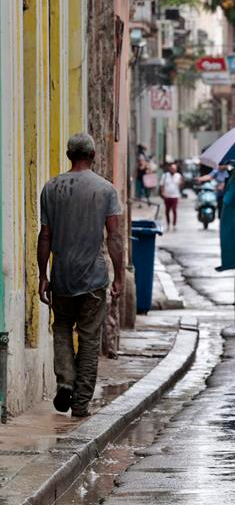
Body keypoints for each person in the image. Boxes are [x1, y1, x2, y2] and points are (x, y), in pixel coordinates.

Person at [38, 133, 124, 418]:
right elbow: (114, 237)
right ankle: (81, 403)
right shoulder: (106, 190)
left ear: (68, 155)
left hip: (62, 276)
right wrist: (120, 275)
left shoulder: (50, 188)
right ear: (93, 155)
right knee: (89, 339)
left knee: (61, 327)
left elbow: (45, 236)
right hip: (93, 279)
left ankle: (65, 380)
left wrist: (43, 275)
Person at [160, 162, 183, 230]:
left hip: (175, 195)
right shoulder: (165, 176)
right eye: (172, 168)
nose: (173, 170)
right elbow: (161, 185)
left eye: (174, 169)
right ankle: (168, 224)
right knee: (167, 211)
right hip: (167, 196)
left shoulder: (178, 176)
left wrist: (182, 183)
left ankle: (174, 224)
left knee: (174, 210)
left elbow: (181, 186)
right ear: (170, 169)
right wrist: (162, 193)